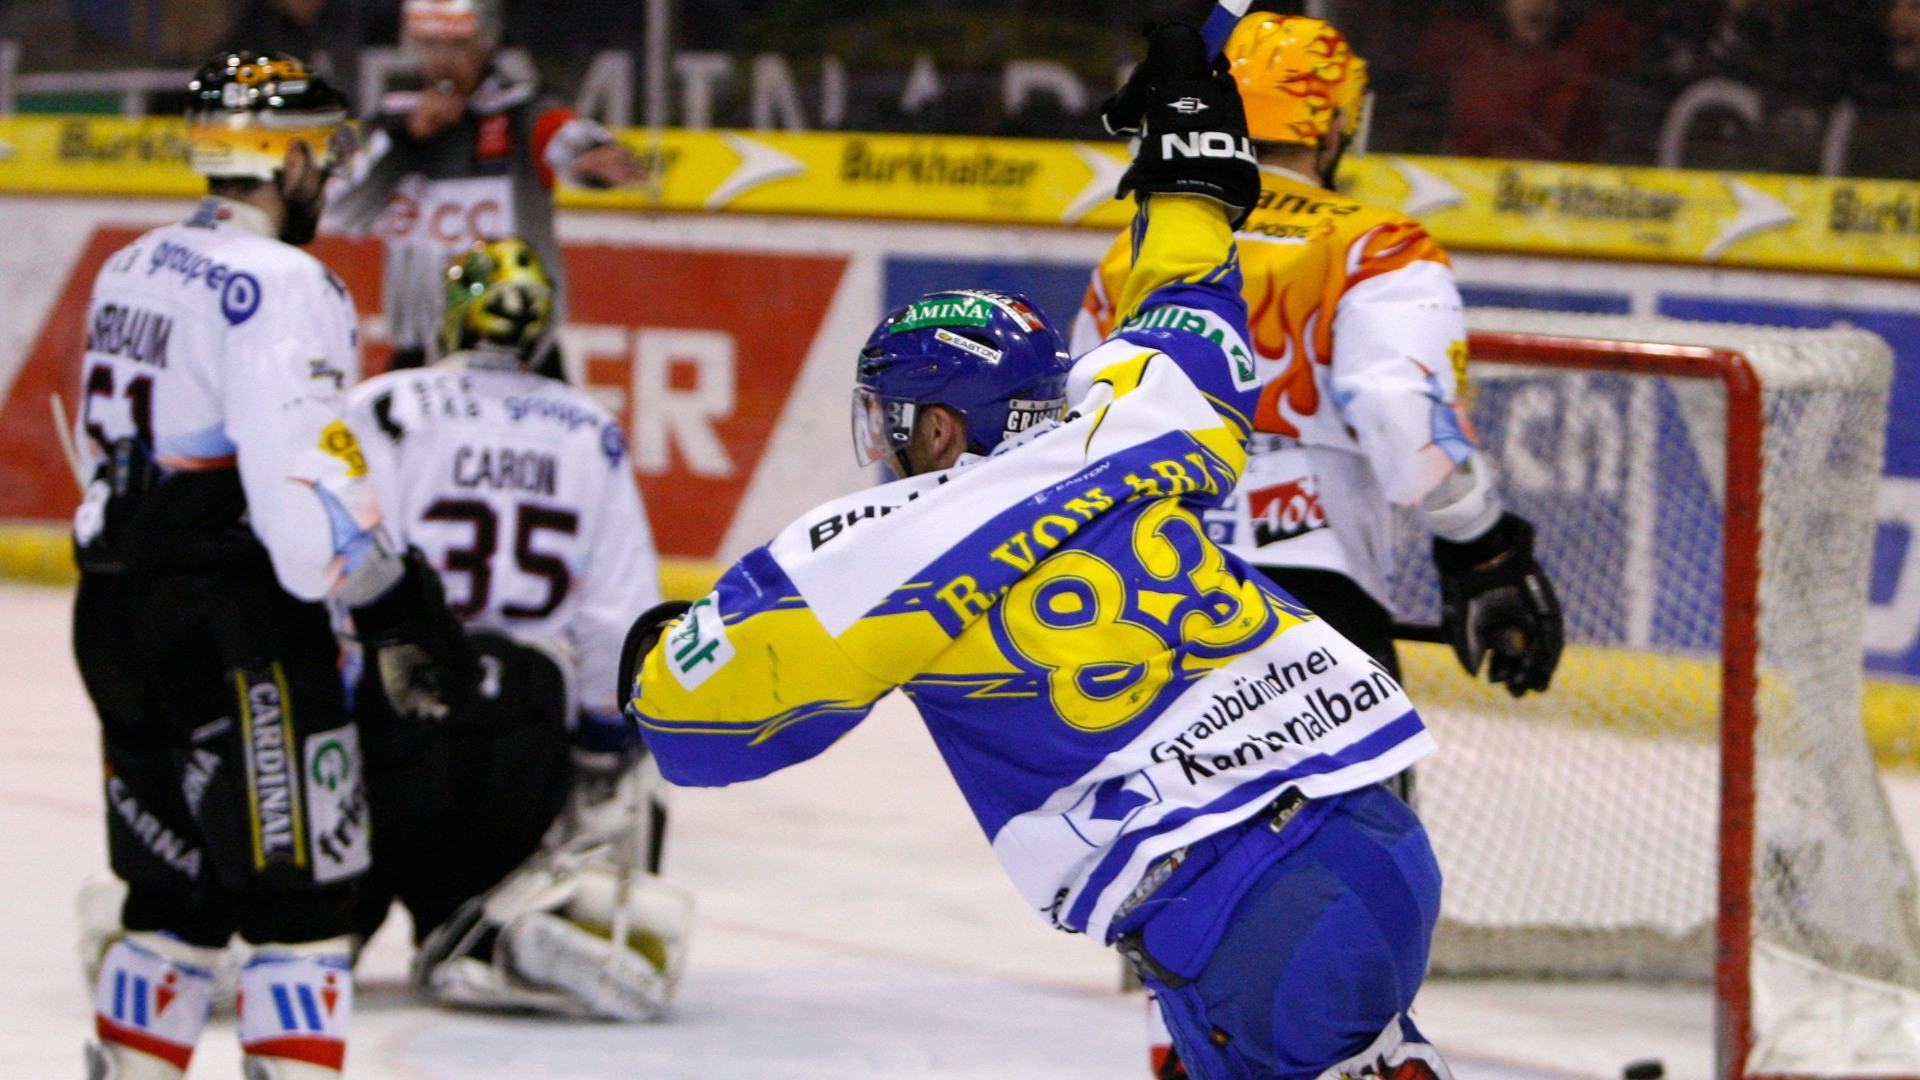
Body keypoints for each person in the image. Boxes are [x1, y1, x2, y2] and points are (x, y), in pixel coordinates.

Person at [621, 23, 1454, 1080]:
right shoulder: (1140, 420)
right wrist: (1189, 157)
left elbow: (697, 735)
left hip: (1248, 912)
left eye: (893, 419)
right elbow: (1191, 304)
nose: (884, 445)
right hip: (1374, 837)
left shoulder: (878, 544)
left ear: (936, 428)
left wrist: (655, 658)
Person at [1076, 20, 1562, 1072]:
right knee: (1344, 960)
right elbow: (1405, 422)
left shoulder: (1137, 247)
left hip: (1147, 615)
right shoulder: (1373, 243)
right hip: (1306, 628)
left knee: (1190, 956)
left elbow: (1080, 447)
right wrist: (1483, 550)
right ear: (1334, 121)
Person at [71, 51, 474, 1080]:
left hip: (115, 622)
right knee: (299, 908)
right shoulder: (285, 283)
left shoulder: (133, 261)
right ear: (283, 154)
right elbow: (304, 491)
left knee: (173, 899)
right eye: (323, 152)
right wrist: (388, 607)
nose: (330, 174)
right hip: (234, 634)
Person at [340, 236, 689, 1021]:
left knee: (305, 922)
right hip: (523, 723)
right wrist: (604, 742)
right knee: (634, 772)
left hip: (398, 713)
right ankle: (490, 932)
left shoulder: (385, 405)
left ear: (453, 317)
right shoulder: (586, 425)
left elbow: (340, 558)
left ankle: (283, 931)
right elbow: (621, 611)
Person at [324, 0, 643, 374]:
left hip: (520, 345)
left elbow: (561, 131)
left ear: (485, 42)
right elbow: (342, 210)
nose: (443, 60)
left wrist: (591, 154)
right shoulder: (392, 118)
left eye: (458, 46)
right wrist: (406, 137)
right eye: (429, 46)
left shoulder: (519, 111)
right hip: (420, 346)